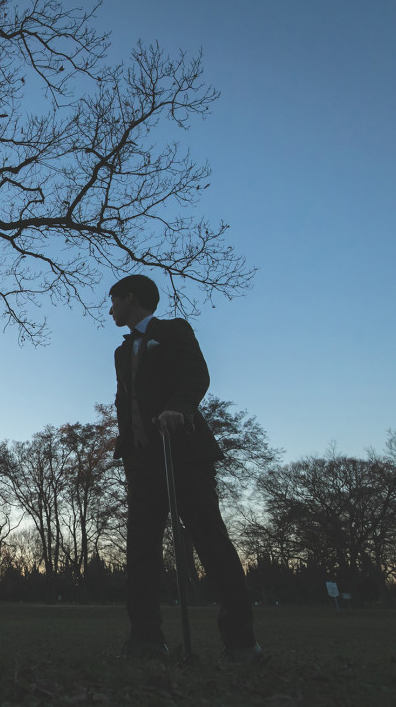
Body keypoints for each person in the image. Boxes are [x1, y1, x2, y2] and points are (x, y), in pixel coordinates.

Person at [108, 274, 263, 664]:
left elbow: (197, 374)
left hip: (184, 454)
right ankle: (146, 640)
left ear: (130, 297)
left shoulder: (174, 330)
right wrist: (127, 447)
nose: (110, 309)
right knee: (141, 550)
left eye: (113, 300)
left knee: (211, 542)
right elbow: (124, 403)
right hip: (142, 464)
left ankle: (242, 643)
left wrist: (179, 407)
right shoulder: (120, 353)